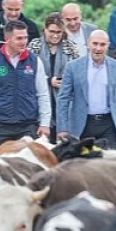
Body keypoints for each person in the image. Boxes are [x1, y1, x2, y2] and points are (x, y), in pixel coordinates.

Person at [0, 20, 51, 153]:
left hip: (28, 125)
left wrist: (45, 123)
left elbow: (43, 94)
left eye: (25, 37)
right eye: (19, 38)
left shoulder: (35, 61)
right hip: (1, 126)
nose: (24, 42)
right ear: (7, 39)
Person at [56, 30, 116, 150]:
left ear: (108, 45)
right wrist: (62, 128)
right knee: (83, 165)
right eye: (95, 43)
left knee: (107, 164)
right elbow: (63, 99)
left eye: (102, 45)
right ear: (88, 43)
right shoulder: (73, 67)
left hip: (108, 124)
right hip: (83, 124)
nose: (98, 48)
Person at [28, 12, 81, 143]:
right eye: (51, 31)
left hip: (64, 100)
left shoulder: (71, 47)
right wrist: (48, 81)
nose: (55, 35)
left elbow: (78, 73)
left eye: (59, 32)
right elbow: (27, 72)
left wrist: (67, 82)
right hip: (38, 99)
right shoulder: (35, 46)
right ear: (44, 29)